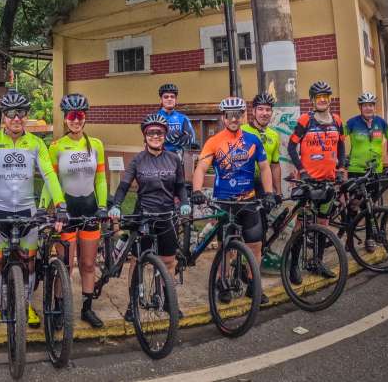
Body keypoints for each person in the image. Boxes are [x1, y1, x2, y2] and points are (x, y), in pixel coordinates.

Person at [0, 90, 67, 331]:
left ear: (26, 116)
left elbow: (49, 174)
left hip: (26, 210)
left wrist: (61, 205)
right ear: (3, 116)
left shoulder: (35, 143)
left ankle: (27, 304)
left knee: (29, 261)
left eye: (20, 113)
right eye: (11, 113)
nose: (16, 118)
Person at [191, 97, 275, 305]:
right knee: (225, 247)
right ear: (223, 117)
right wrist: (197, 190)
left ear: (243, 115)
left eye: (238, 114)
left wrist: (269, 193)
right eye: (230, 115)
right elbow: (201, 167)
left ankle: (254, 285)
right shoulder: (214, 141)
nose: (234, 119)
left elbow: (264, 168)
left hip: (248, 201)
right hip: (224, 201)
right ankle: (222, 282)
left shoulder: (253, 140)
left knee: (255, 245)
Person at [109, 113, 190, 321]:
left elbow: (180, 186)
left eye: (160, 132)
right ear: (145, 136)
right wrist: (117, 205)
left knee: (169, 261)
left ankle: (169, 300)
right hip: (143, 216)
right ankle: (132, 304)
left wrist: (185, 203)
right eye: (151, 132)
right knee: (138, 261)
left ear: (165, 135)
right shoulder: (138, 160)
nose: (156, 136)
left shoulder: (174, 159)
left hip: (166, 215)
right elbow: (124, 185)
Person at [44, 93, 108, 328]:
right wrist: (44, 208)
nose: (75, 120)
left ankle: (87, 308)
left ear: (85, 118)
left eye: (79, 116)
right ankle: (60, 307)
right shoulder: (56, 147)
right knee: (66, 264)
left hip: (90, 209)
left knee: (88, 264)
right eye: (71, 116)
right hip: (67, 211)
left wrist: (102, 206)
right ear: (65, 119)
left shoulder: (97, 145)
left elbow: (100, 180)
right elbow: (50, 184)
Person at [287, 81, 346, 278]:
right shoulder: (305, 120)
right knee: (300, 225)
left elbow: (341, 146)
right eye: (318, 97)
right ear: (312, 100)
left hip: (328, 183)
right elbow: (291, 147)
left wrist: (341, 167)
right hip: (308, 183)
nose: (322, 100)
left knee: (323, 224)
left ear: (330, 100)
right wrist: (302, 170)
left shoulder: (337, 121)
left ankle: (317, 262)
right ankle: (293, 265)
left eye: (325, 97)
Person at [344, 91, 388, 248]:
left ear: (374, 107)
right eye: (365, 105)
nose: (368, 108)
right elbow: (338, 138)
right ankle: (349, 238)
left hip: (375, 171)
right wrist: (338, 158)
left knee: (370, 207)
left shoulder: (380, 123)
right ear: (360, 107)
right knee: (353, 205)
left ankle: (369, 238)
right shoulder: (352, 123)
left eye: (371, 105)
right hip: (356, 170)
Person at [242, 93, 283, 201]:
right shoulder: (241, 130)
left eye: (268, 110)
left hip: (264, 185)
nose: (264, 113)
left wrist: (278, 192)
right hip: (243, 183)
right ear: (253, 111)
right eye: (260, 109)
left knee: (264, 217)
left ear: (272, 112)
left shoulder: (274, 135)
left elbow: (275, 165)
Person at [156, 83, 197, 154]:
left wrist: (165, 137)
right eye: (166, 97)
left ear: (176, 100)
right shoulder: (154, 118)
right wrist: (179, 135)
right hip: (158, 158)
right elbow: (151, 139)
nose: (169, 99)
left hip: (177, 158)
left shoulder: (183, 118)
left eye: (172, 97)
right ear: (161, 100)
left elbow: (191, 138)